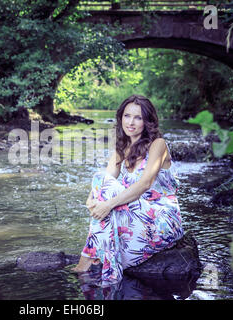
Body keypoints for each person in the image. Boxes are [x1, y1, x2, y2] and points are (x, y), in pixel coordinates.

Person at [71, 94, 184, 286]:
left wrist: (107, 205)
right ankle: (101, 268)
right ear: (121, 118)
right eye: (127, 116)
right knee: (101, 178)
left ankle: (86, 263)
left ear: (148, 121)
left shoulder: (158, 145)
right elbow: (105, 179)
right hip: (134, 216)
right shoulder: (121, 147)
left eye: (138, 117)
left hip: (162, 219)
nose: (131, 122)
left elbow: (144, 184)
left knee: (109, 198)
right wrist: (91, 199)